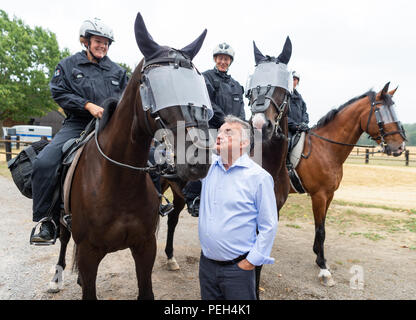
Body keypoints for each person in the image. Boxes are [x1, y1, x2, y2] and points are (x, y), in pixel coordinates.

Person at [30, 18, 128, 243]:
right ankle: (47, 220)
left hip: (111, 124)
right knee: (45, 162)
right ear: (86, 41)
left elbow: (128, 97)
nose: (102, 46)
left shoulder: (118, 71)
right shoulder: (67, 65)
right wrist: (87, 105)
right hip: (77, 124)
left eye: (105, 42)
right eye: (97, 41)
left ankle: (156, 203)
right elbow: (59, 91)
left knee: (150, 157)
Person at [198, 115, 278, 300]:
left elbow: (269, 225)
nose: (219, 135)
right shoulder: (207, 168)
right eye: (218, 132)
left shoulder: (259, 177)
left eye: (228, 132)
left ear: (243, 143)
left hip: (238, 269)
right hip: (207, 266)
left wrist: (251, 262)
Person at [183, 42, 246, 217]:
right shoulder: (206, 78)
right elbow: (208, 103)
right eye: (220, 58)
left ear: (230, 61)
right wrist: (226, 122)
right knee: (204, 159)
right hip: (211, 127)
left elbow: (241, 109)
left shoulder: (236, 85)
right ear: (215, 59)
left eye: (226, 59)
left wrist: (241, 126)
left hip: (233, 131)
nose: (223, 61)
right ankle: (194, 196)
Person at [288, 70, 309, 142]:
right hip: (286, 131)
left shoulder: (300, 98)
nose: (293, 82)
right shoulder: (284, 95)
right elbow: (281, 115)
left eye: (295, 80)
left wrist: (304, 123)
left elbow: (305, 112)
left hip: (300, 130)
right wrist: (295, 126)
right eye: (292, 79)